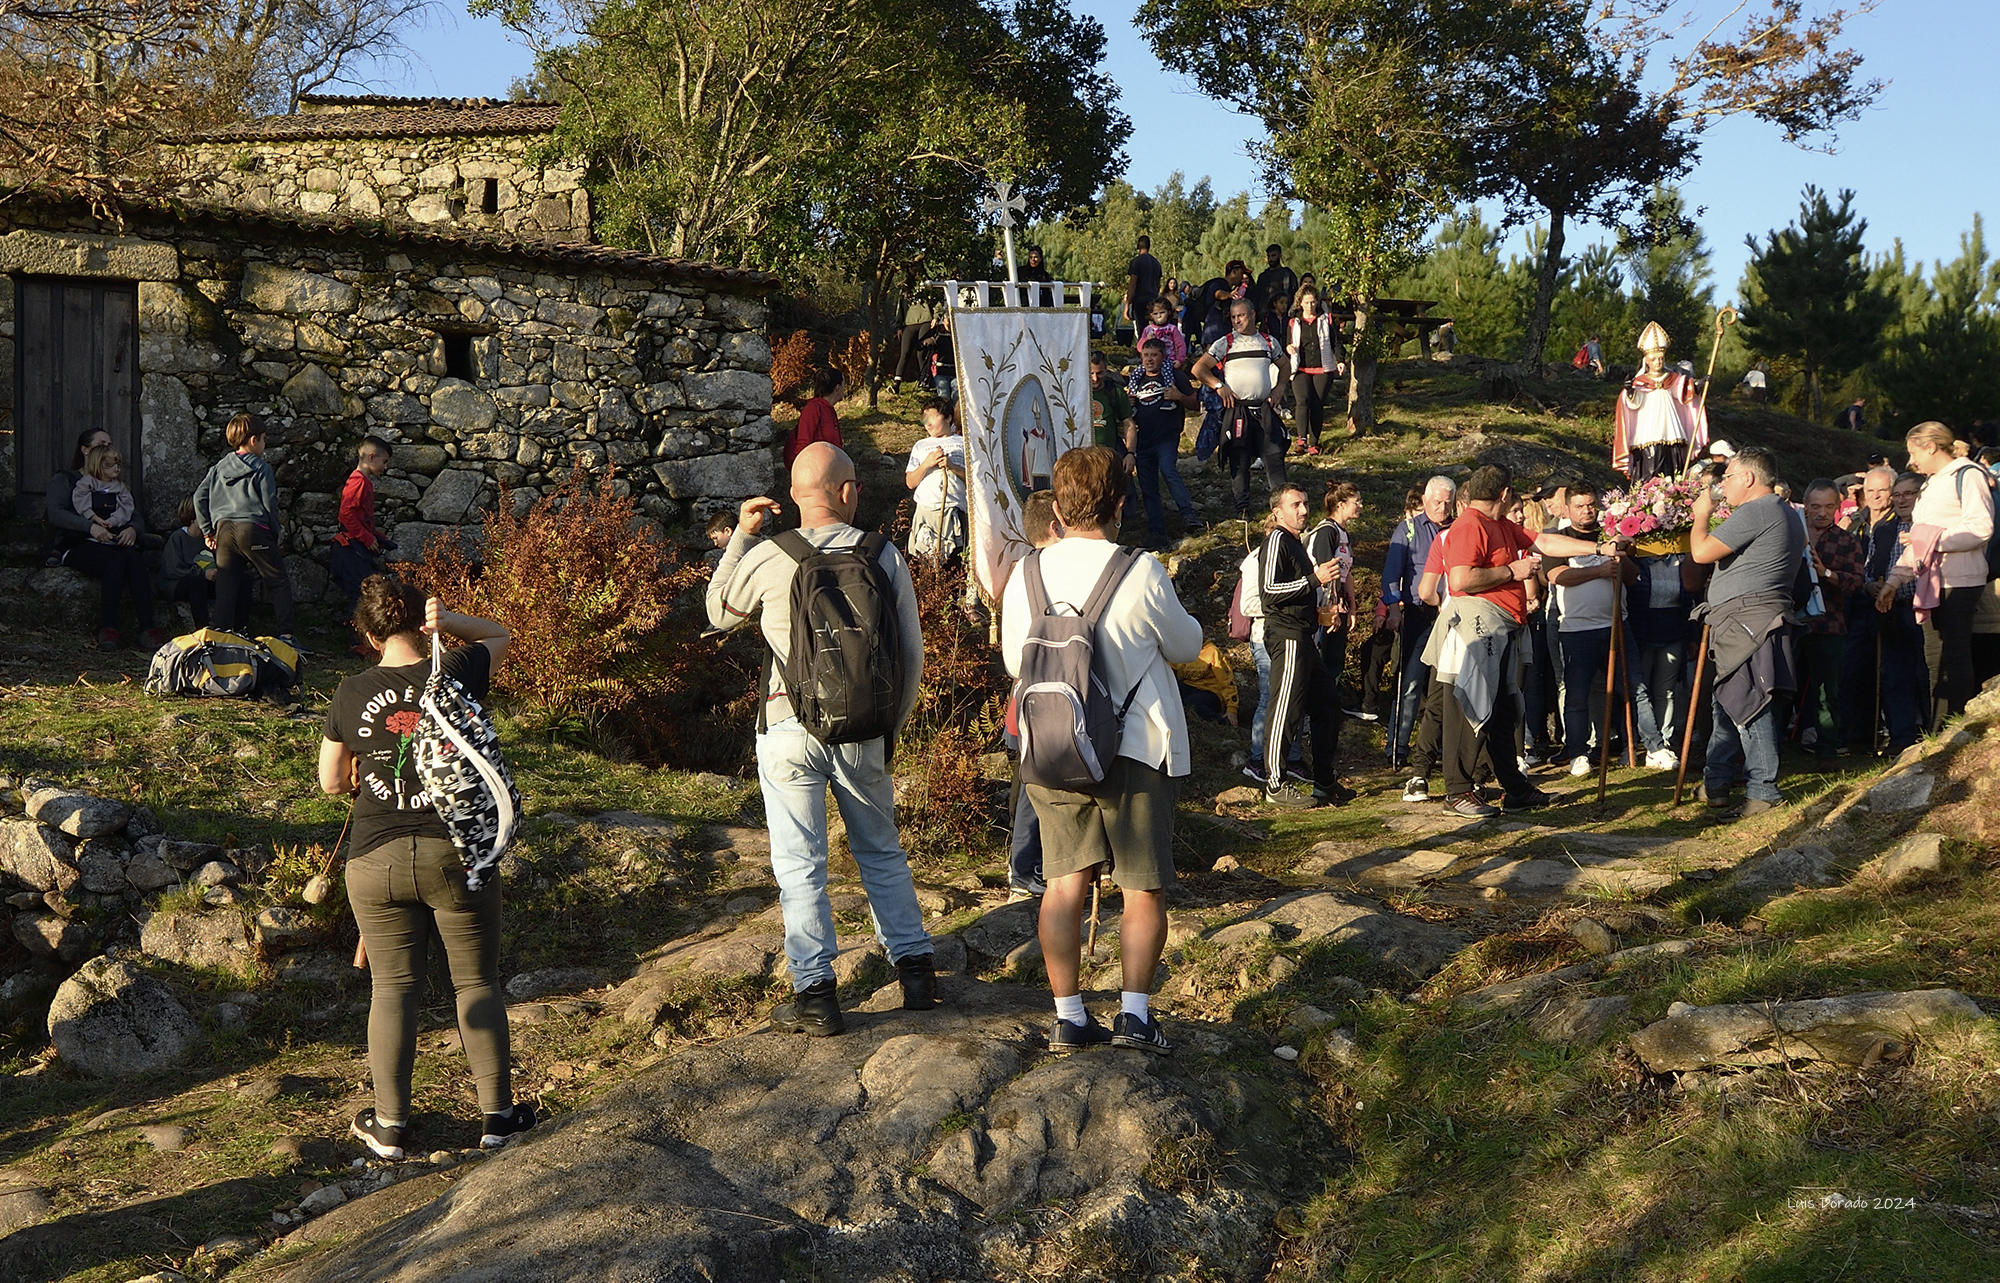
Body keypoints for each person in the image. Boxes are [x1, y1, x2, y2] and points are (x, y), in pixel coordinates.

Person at [707, 444, 935, 1036]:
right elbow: (910, 655)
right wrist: (891, 727)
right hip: (863, 728)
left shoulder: (772, 555)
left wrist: (741, 535)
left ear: (793, 497)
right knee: (880, 850)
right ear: (849, 491)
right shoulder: (883, 556)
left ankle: (816, 994)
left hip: (787, 727)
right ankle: (915, 972)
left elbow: (718, 613)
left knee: (799, 864)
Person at [318, 577, 534, 1158]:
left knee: (392, 988)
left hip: (373, 859)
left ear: (367, 634)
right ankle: (497, 1119)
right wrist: (452, 619)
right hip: (452, 856)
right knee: (476, 982)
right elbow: (500, 634)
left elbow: (332, 781)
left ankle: (389, 1128)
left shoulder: (349, 690)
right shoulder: (456, 671)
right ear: (422, 623)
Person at [1001, 446, 1202, 1054]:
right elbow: (1188, 644)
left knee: (1062, 885)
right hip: (1135, 747)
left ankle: (1069, 1016)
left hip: (1054, 747)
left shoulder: (1026, 573)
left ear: (1057, 507)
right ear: (1118, 504)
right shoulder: (1139, 570)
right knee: (1141, 888)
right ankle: (1136, 1018)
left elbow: (1016, 661)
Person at [1428, 464, 1610, 817]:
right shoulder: (1470, 526)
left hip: (1501, 628)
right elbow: (1462, 578)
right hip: (1476, 630)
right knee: (1469, 708)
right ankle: (1459, 790)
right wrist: (1513, 571)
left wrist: (1599, 547)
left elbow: (1542, 540)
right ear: (1504, 494)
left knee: (1503, 712)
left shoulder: (1498, 524)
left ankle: (1514, 789)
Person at [1687, 445, 1806, 820]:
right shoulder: (1782, 511)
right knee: (1727, 704)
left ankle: (1763, 792)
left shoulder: (1758, 509)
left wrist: (1700, 516)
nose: (1724, 486)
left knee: (1750, 705)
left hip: (1748, 620)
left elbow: (1702, 553)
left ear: (1749, 478)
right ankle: (1716, 783)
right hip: (1751, 618)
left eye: (1728, 477)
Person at [1880, 421, 1995, 719]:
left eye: (1913, 452)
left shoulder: (1969, 476)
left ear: (1930, 447)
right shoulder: (1931, 483)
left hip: (1961, 581)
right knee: (1935, 662)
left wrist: (1932, 539)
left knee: (1954, 655)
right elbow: (1917, 539)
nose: (1910, 461)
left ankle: (1956, 724)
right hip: (1930, 583)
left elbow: (1981, 527)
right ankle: (1939, 730)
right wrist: (1893, 581)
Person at [1257, 485, 1345, 809]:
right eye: (1296, 504)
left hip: (1304, 635)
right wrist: (1315, 579)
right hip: (1287, 635)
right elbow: (1269, 591)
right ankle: (1275, 784)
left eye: (1306, 503)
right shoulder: (1278, 540)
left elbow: (1296, 594)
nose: (1304, 510)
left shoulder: (1295, 543)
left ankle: (1324, 782)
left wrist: (1321, 614)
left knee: (1327, 706)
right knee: (1286, 709)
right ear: (1277, 512)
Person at [1543, 486, 1625, 776]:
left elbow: (1632, 574)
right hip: (1576, 628)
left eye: (1591, 505)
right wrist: (1598, 570)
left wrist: (1625, 557)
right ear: (1567, 509)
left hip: (1614, 623)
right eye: (1580, 506)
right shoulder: (1557, 539)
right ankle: (1578, 752)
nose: (1587, 511)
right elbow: (1557, 576)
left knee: (1627, 689)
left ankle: (1630, 744)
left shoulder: (1612, 531)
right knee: (1576, 694)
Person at [194, 413, 296, 645]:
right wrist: (275, 532)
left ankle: (219, 640)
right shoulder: (261, 467)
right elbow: (269, 504)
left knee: (226, 587)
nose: (264, 445)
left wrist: (208, 530)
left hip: (224, 531)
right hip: (253, 528)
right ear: (253, 440)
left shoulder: (219, 467)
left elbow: (199, 496)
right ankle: (287, 636)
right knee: (277, 580)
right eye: (263, 439)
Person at [1005, 491, 1062, 899]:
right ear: (1056, 524)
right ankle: (1024, 867)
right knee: (1031, 787)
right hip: (1040, 693)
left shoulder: (1021, 571)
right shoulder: (1035, 571)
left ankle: (1038, 862)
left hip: (1031, 691)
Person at [1191, 297, 1292, 520]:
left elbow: (1285, 365)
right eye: (1234, 317)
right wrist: (1219, 386)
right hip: (1238, 411)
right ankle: (1242, 509)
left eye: (1241, 316)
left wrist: (1280, 388)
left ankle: (1284, 508)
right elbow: (1198, 369)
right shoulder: (1225, 343)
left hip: (1264, 410)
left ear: (1253, 315)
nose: (1237, 321)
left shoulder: (1268, 342)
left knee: (1274, 456)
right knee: (1239, 460)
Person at [1383, 477, 1456, 770]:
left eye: (1447, 503)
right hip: (1418, 612)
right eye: (1436, 502)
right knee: (1410, 683)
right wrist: (1393, 608)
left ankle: (1438, 747)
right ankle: (1396, 748)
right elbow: (1391, 572)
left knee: (1446, 684)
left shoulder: (1458, 529)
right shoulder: (1409, 529)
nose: (1442, 508)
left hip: (1452, 614)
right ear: (1424, 501)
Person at [65, 442, 160, 650]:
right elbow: (78, 505)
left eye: (117, 466)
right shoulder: (83, 484)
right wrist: (93, 519)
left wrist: (117, 522)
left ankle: (147, 628)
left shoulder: (120, 488)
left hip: (114, 536)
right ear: (99, 466)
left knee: (134, 559)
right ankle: (109, 628)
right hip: (89, 541)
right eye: (110, 466)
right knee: (116, 561)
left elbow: (128, 508)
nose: (116, 470)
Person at [1798, 479, 1866, 761]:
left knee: (1828, 692)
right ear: (1805, 507)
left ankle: (1827, 750)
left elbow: (1857, 583)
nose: (1822, 513)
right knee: (1783, 689)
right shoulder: (1790, 536)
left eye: (1828, 507)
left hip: (1829, 624)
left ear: (1838, 508)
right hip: (1790, 624)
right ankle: (1778, 747)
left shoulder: (1846, 540)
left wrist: (1827, 573)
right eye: (1815, 506)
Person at [1864, 473, 1928, 752]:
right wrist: (1871, 587)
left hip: (1922, 610)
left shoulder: (1929, 528)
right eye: (1897, 495)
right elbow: (1868, 569)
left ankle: (1931, 732)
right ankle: (1900, 738)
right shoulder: (1883, 529)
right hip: (1890, 611)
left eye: (1908, 494)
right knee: (1894, 676)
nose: (1901, 500)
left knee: (1925, 674)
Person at [1305, 482, 1362, 787]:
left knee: (1336, 661)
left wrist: (1351, 606)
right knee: (1323, 661)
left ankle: (1332, 712)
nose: (1360, 506)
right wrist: (1330, 610)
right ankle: (1316, 719)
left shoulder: (1343, 533)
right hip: (1320, 607)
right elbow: (1326, 571)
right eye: (1356, 501)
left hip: (1338, 604)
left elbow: (1347, 571)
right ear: (1340, 504)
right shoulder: (1325, 531)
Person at [1838, 466, 1898, 749]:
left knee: (1888, 672)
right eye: (1870, 490)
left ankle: (1889, 732)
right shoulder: (1854, 523)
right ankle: (1855, 733)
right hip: (1857, 605)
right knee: (1852, 670)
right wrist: (1865, 585)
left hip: (1892, 604)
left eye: (1882, 490)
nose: (1875, 496)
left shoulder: (1900, 522)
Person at [1125, 338, 1201, 549]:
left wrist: (1178, 397)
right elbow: (1125, 415)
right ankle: (1157, 531)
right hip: (1142, 440)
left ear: (1163, 356)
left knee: (1169, 470)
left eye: (1154, 355)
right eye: (1145, 356)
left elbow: (1196, 403)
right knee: (1148, 486)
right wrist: (1128, 402)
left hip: (1166, 438)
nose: (1149, 360)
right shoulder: (1135, 379)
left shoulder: (1174, 376)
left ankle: (1189, 515)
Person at [1613, 322, 1708, 480]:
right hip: (1648, 430)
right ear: (1647, 361)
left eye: (1661, 358)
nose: (1658, 362)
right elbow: (1633, 404)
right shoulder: (1640, 382)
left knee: (1673, 464)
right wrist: (1630, 392)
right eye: (1654, 359)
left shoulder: (1672, 378)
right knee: (1650, 465)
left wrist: (1699, 384)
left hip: (1671, 427)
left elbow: (1683, 392)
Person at [332, 436, 395, 655]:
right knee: (362, 594)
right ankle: (356, 643)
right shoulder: (358, 481)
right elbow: (346, 515)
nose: (385, 467)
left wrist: (377, 536)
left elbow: (358, 518)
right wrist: (368, 539)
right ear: (371, 457)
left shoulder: (361, 481)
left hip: (352, 545)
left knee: (364, 592)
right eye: (384, 461)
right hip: (349, 548)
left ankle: (360, 641)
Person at [1286, 285, 1347, 456]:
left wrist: (1340, 360)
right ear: (1300, 303)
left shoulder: (1325, 319)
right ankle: (1301, 440)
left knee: (1317, 405)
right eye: (1307, 302)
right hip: (1300, 368)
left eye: (1313, 302)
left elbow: (1336, 342)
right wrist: (1289, 348)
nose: (1311, 306)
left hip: (1323, 367)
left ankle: (1314, 443)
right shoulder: (1294, 322)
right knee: (1302, 401)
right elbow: (1288, 343)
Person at [906, 397, 969, 561]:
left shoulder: (964, 443)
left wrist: (952, 466)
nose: (928, 424)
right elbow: (910, 482)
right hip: (926, 511)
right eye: (925, 420)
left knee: (954, 563)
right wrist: (926, 464)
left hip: (953, 510)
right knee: (925, 563)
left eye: (933, 418)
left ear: (948, 417)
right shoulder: (920, 446)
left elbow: (974, 480)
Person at [43, 427, 112, 567]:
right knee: (116, 560)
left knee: (133, 559)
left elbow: (132, 513)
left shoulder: (113, 484)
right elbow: (55, 513)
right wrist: (90, 527)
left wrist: (133, 529)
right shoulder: (65, 479)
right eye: (101, 444)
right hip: (76, 541)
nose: (106, 450)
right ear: (85, 450)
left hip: (108, 539)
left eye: (109, 446)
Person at [158, 497, 217, 629]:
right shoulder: (177, 538)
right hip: (177, 584)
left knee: (242, 581)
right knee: (197, 583)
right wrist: (203, 574)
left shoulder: (211, 539)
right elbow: (174, 570)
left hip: (205, 581)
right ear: (192, 517)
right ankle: (203, 630)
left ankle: (238, 630)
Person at [787, 368, 846, 468]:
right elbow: (803, 444)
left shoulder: (829, 409)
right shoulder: (813, 409)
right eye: (844, 385)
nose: (845, 389)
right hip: (815, 472)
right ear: (837, 388)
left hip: (829, 470)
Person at [1195, 260, 1250, 347]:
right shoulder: (1218, 283)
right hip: (1213, 335)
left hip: (1223, 334)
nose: (1242, 277)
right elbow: (1217, 294)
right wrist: (1229, 295)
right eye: (1241, 273)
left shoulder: (1228, 287)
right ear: (1234, 272)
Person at [1089, 350, 1134, 453]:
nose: (1095, 378)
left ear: (1105, 369)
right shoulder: (1074, 393)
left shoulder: (1115, 392)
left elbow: (1128, 424)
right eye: (1091, 373)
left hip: (1109, 455)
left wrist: (1130, 453)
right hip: (1080, 456)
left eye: (1099, 373)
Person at [1137, 297, 1189, 371]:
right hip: (1150, 362)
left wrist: (1179, 360)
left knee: (1166, 374)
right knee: (1137, 373)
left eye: (1162, 312)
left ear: (1168, 312)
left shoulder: (1172, 329)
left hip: (1168, 361)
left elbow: (1181, 345)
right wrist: (1147, 339)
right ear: (1151, 315)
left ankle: (1170, 383)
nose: (1159, 316)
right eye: (1155, 313)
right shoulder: (1148, 329)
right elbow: (1139, 348)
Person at [1125, 234, 1163, 331]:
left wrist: (1127, 304)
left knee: (1142, 330)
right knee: (1155, 329)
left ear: (1138, 246)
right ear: (1149, 246)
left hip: (1140, 300)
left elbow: (1133, 284)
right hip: (1153, 299)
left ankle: (1143, 346)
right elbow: (1158, 285)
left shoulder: (1136, 262)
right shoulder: (1156, 263)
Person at [1254, 244, 1298, 316]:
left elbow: (1295, 295)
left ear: (1280, 256)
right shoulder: (1263, 277)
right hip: (1266, 316)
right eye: (1269, 256)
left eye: (1273, 255)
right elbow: (1258, 297)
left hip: (1285, 316)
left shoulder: (1288, 274)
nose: (1271, 259)